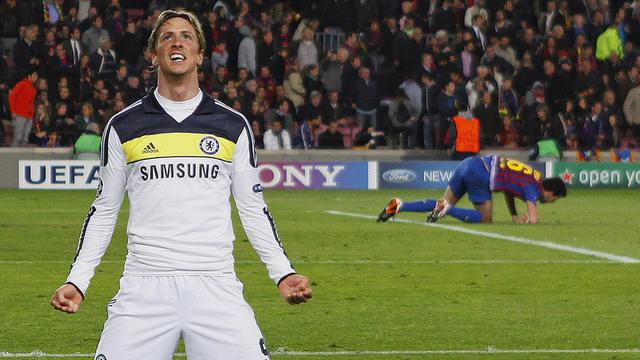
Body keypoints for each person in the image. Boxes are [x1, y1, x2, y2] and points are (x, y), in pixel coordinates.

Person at [50, 9, 311, 359]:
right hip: (144, 286)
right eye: (166, 36)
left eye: (187, 36)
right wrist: (77, 280)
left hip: (215, 283)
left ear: (200, 55)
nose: (177, 41)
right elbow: (104, 210)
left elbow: (252, 208)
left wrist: (283, 273)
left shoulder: (232, 125)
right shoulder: (123, 126)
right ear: (153, 54)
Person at [377, 155, 566, 225]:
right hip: (481, 174)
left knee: (441, 204)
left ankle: (400, 205)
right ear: (550, 193)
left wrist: (514, 215)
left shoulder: (532, 176)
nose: (550, 202)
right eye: (554, 200)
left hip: (469, 163)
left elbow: (509, 190)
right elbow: (534, 220)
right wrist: (526, 220)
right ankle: (448, 209)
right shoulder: (534, 189)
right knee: (485, 218)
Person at [8, 69, 38, 147]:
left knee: (25, 139)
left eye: (36, 76)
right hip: (19, 114)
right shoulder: (21, 84)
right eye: (34, 75)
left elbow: (31, 103)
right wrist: (13, 111)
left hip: (29, 116)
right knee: (17, 138)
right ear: (29, 76)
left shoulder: (34, 89)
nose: (36, 77)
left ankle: (21, 157)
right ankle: (13, 157)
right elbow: (12, 97)